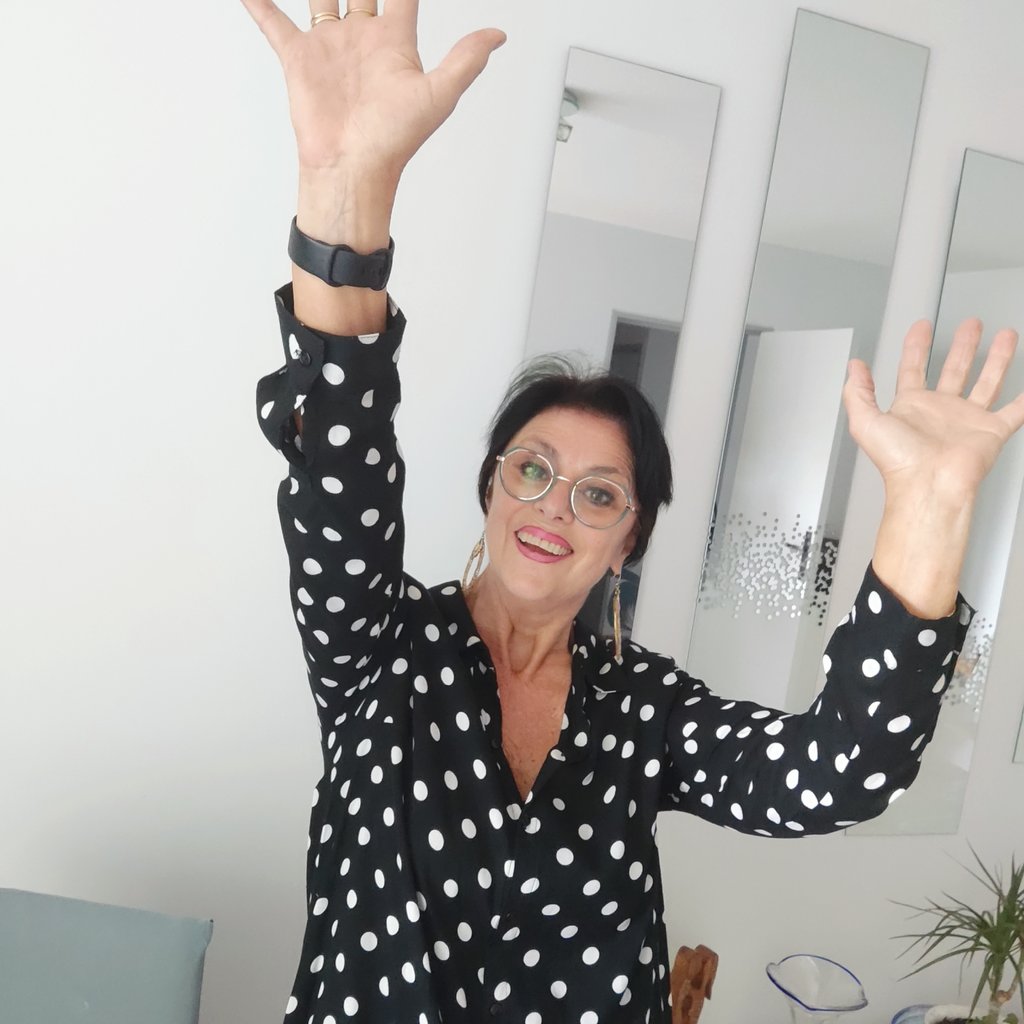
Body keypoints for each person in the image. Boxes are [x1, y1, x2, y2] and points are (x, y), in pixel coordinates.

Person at [240, 1, 1024, 1021]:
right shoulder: (377, 643)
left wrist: (929, 502)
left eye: (598, 492)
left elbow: (838, 772)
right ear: (489, 486)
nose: (554, 505)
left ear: (628, 537)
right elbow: (335, 470)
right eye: (532, 468)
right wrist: (346, 189)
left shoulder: (645, 710)